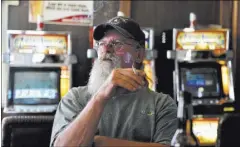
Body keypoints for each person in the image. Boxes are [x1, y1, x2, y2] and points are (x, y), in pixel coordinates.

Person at [50, 16, 178, 147]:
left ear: (139, 54)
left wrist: (100, 142)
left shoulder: (161, 105)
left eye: (117, 44)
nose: (106, 50)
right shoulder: (75, 98)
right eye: (101, 43)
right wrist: (101, 96)